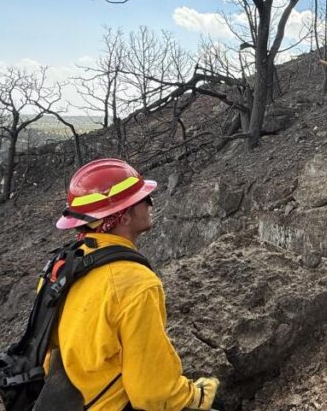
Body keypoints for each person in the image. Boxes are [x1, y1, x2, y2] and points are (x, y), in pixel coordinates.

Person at [48, 158, 219, 410]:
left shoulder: (63, 266)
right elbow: (153, 394)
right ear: (123, 216)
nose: (150, 204)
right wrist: (198, 396)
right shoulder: (135, 284)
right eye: (143, 199)